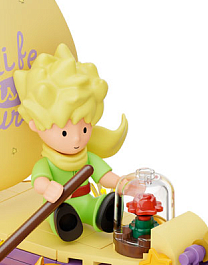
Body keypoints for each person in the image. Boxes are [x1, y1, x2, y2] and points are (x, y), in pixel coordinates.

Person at [13, 44, 129, 241]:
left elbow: (103, 175)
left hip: (86, 200)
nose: (77, 139)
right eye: (65, 132)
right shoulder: (46, 163)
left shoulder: (87, 157)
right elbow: (39, 181)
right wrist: (47, 187)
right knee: (59, 213)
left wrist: (120, 183)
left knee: (96, 206)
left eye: (84, 130)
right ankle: (65, 223)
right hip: (58, 204)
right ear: (35, 124)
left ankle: (100, 214)